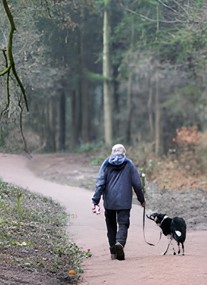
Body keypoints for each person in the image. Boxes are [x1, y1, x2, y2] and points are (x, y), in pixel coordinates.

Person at [92, 144, 145, 261]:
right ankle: (120, 243)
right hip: (124, 201)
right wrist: (141, 200)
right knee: (123, 224)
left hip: (109, 201)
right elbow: (137, 184)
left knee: (111, 226)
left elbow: (100, 183)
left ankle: (113, 252)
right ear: (124, 153)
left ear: (112, 152)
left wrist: (96, 200)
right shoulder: (129, 164)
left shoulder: (106, 163)